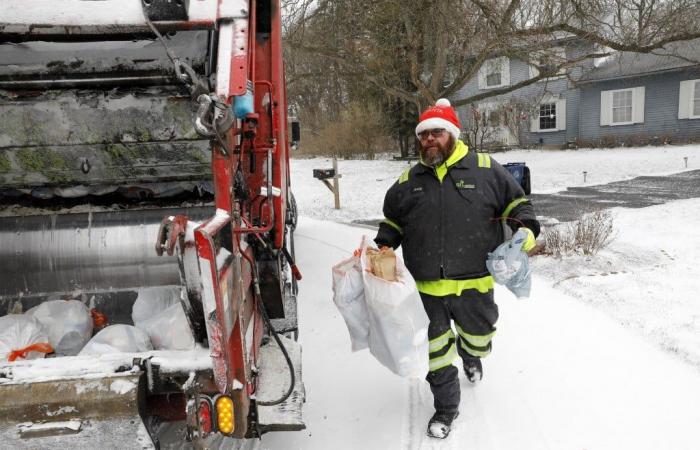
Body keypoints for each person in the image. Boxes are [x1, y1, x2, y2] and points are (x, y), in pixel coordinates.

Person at [374, 99, 540, 439]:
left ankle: (471, 354)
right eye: (424, 135)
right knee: (435, 353)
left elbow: (517, 202)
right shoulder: (410, 179)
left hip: (474, 284)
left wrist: (526, 228)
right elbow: (393, 219)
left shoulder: (484, 168)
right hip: (427, 290)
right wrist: (385, 243)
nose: (429, 140)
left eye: (437, 132)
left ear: (451, 134)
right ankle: (446, 409)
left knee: (480, 339)